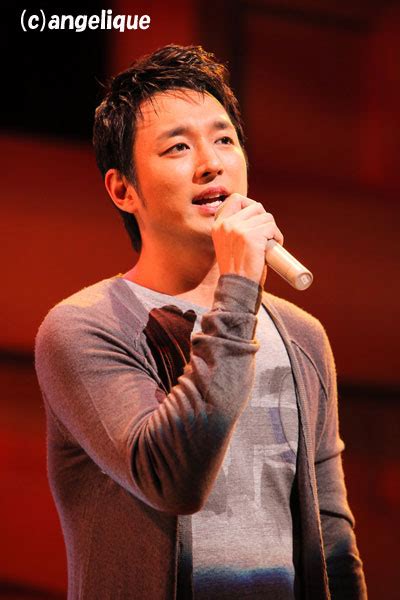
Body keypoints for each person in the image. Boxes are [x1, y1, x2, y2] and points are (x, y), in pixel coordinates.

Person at [35, 44, 367, 599]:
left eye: (224, 140)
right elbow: (173, 480)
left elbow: (332, 534)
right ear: (123, 189)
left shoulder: (302, 335)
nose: (211, 163)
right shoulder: (83, 328)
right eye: (178, 147)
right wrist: (238, 292)